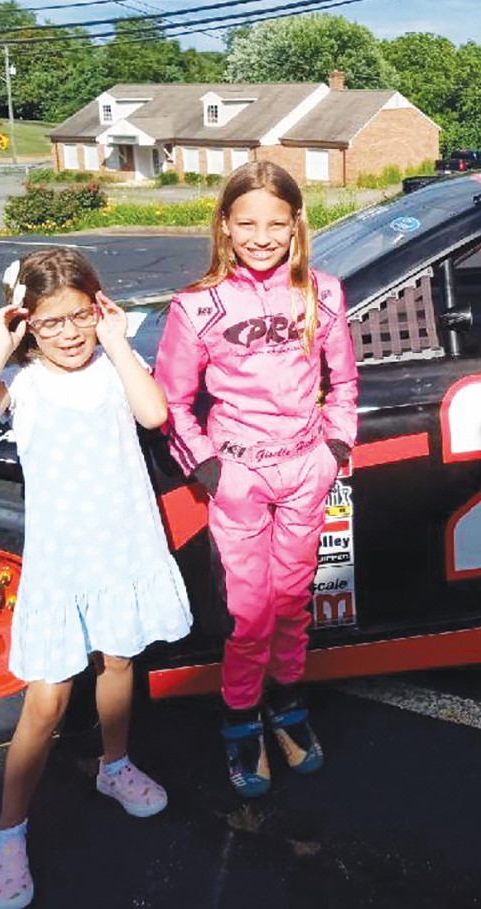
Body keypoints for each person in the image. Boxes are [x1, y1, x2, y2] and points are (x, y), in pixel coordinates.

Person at [0, 248, 192, 909]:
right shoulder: (26, 383)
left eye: (79, 316)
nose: (68, 333)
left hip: (120, 550)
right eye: (49, 323)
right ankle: (7, 832)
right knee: (46, 700)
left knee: (119, 663)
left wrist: (118, 341)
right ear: (26, 324)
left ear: (100, 309)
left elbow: (154, 413)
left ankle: (115, 765)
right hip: (62, 564)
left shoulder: (112, 367)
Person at [154, 160, 358, 798]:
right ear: (225, 224)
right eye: (247, 222)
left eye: (276, 222)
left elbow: (345, 383)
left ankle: (287, 707)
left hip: (306, 471)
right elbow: (173, 402)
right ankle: (240, 719)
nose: (262, 236)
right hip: (239, 476)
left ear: (297, 223)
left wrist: (334, 447)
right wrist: (211, 469)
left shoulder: (323, 291)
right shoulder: (194, 306)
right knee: (248, 615)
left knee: (294, 604)